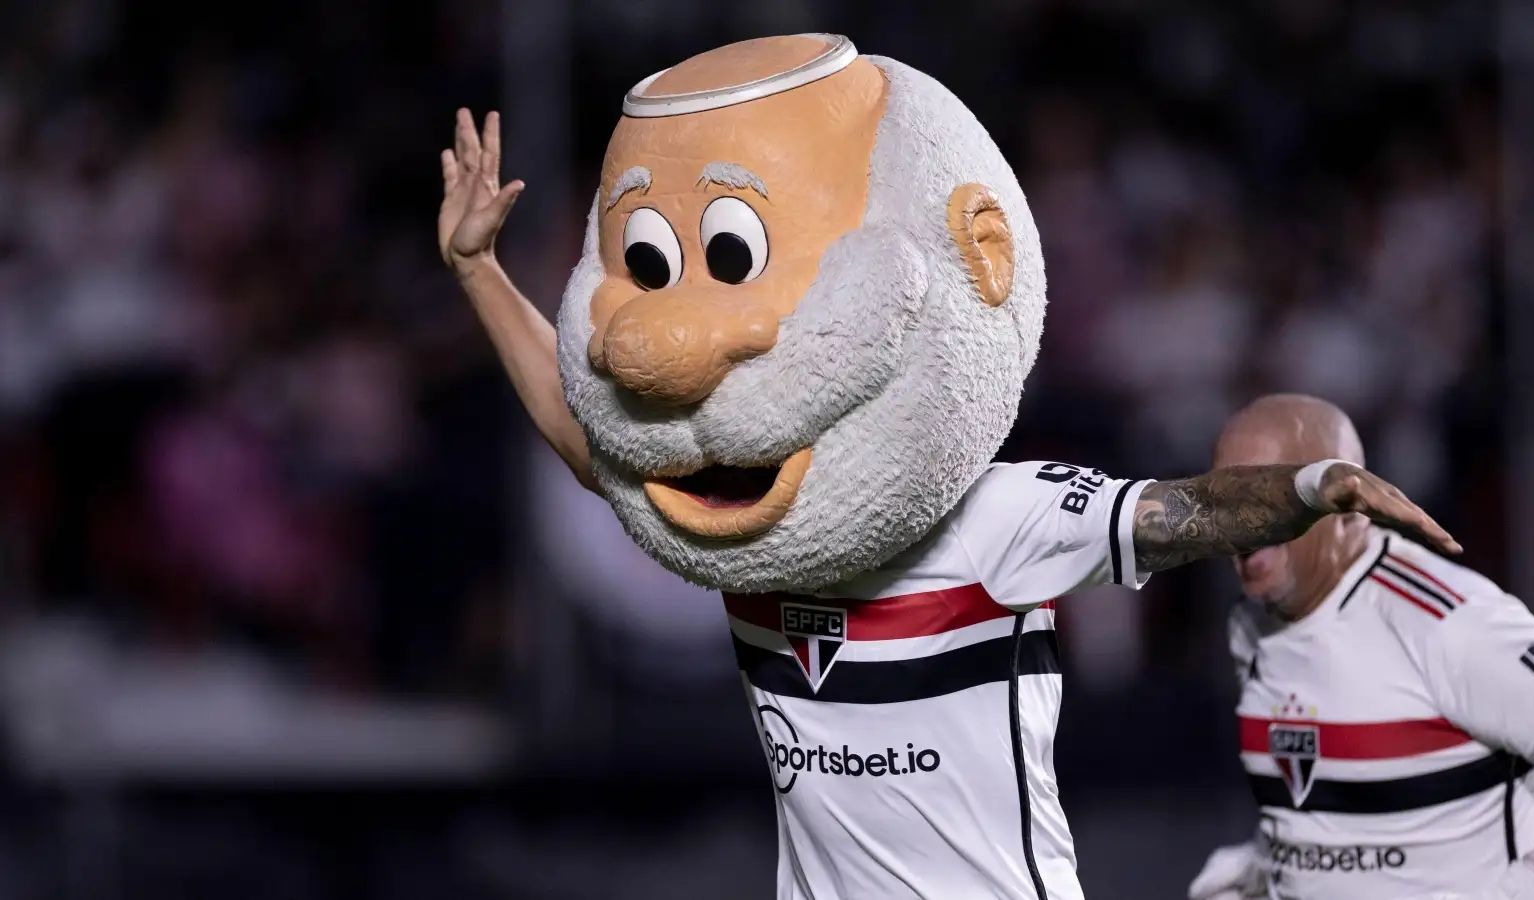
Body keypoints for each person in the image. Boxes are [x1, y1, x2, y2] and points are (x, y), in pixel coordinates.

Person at [439, 35, 1458, 900]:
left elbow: (1179, 513)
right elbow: (592, 450)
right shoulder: (757, 539)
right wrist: (480, 272)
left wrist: (1307, 491)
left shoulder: (999, 519)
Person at [1189, 394, 1534, 900]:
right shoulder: (1250, 627)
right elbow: (1332, 803)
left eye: (1269, 494)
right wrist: (1261, 866)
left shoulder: (1448, 622)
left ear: (1347, 504)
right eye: (1222, 499)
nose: (1239, 523)